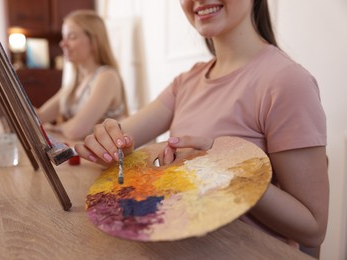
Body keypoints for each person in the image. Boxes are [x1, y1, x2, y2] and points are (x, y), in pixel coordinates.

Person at [75, 0, 329, 248]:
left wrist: (230, 167)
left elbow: (314, 230)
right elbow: (121, 138)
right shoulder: (187, 82)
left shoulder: (287, 82)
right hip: (180, 246)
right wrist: (106, 139)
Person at [36, 10, 128, 140]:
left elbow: (76, 131)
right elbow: (40, 116)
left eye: (71, 37)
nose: (63, 44)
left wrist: (56, 127)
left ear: (94, 41)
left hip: (108, 157)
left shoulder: (107, 77)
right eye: (64, 37)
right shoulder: (76, 81)